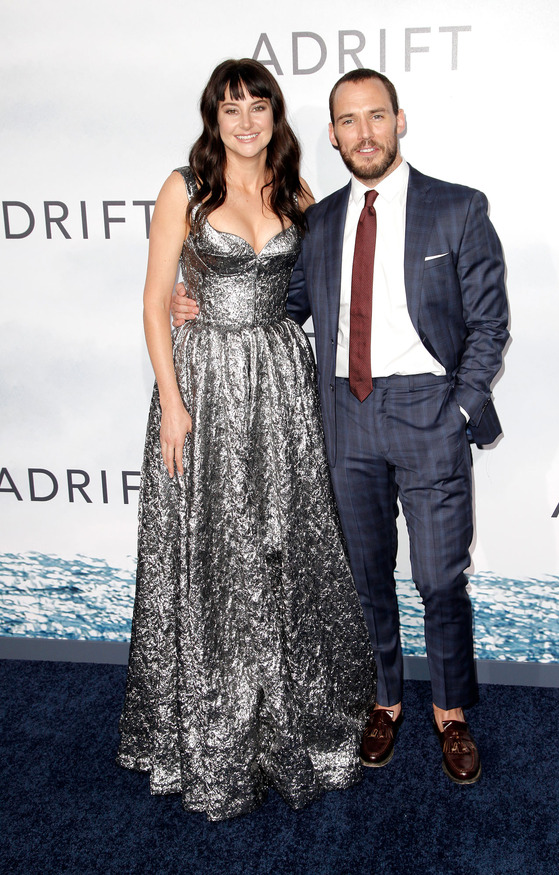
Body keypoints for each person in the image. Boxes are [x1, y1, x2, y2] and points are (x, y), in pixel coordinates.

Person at [173, 69, 509, 785]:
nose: (364, 133)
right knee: (365, 575)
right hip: (343, 415)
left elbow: (489, 324)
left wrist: (458, 408)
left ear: (399, 120)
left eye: (376, 116)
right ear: (332, 135)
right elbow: (283, 303)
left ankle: (450, 710)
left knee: (439, 578)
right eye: (348, 121)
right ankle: (384, 699)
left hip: (428, 410)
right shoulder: (318, 221)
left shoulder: (457, 207)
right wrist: (204, 301)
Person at [117, 59, 376, 823]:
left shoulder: (297, 194)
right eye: (230, 107)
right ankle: (210, 723)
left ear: (275, 116)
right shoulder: (185, 189)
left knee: (279, 547)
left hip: (282, 384)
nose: (245, 121)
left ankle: (280, 712)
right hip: (204, 385)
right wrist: (172, 401)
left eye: (257, 106)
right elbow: (154, 301)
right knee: (212, 551)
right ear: (214, 117)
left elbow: (322, 291)